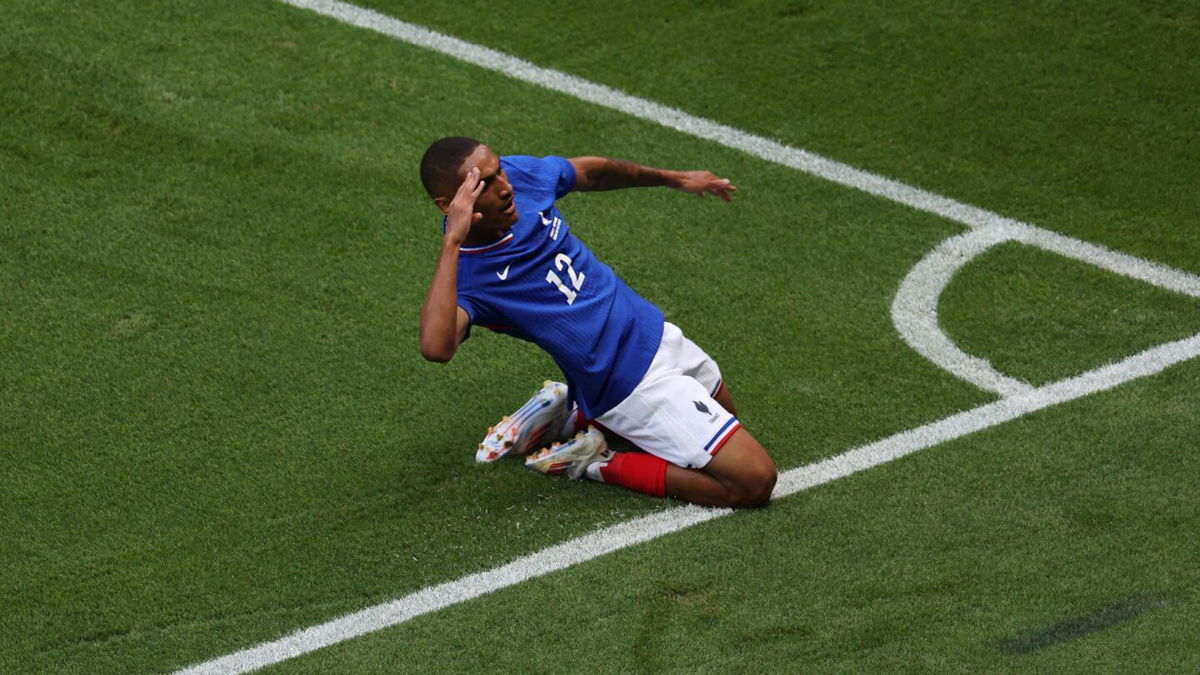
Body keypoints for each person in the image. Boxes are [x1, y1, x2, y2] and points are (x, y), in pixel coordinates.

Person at [418, 137, 776, 508]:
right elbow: (436, 346)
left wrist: (674, 178)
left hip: (653, 331)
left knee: (729, 419)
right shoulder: (471, 276)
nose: (505, 187)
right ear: (450, 204)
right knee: (752, 482)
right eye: (483, 185)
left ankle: (571, 412)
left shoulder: (520, 178)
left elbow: (588, 172)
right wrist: (452, 242)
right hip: (631, 386)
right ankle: (594, 461)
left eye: (499, 171)